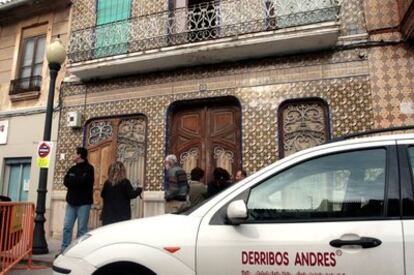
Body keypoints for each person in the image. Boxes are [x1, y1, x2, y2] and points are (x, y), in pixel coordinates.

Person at [61, 147, 94, 252]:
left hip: (84, 203)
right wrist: (76, 180)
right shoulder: (72, 169)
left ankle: (79, 250)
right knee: (67, 227)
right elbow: (65, 182)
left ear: (79, 155)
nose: (72, 156)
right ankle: (64, 249)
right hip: (71, 202)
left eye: (74, 153)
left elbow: (84, 183)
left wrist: (73, 180)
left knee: (81, 229)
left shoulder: (89, 168)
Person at [101, 161, 142, 226]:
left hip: (108, 214)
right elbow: (131, 194)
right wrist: (139, 190)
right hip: (122, 215)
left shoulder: (107, 183)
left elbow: (102, 195)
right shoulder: (125, 182)